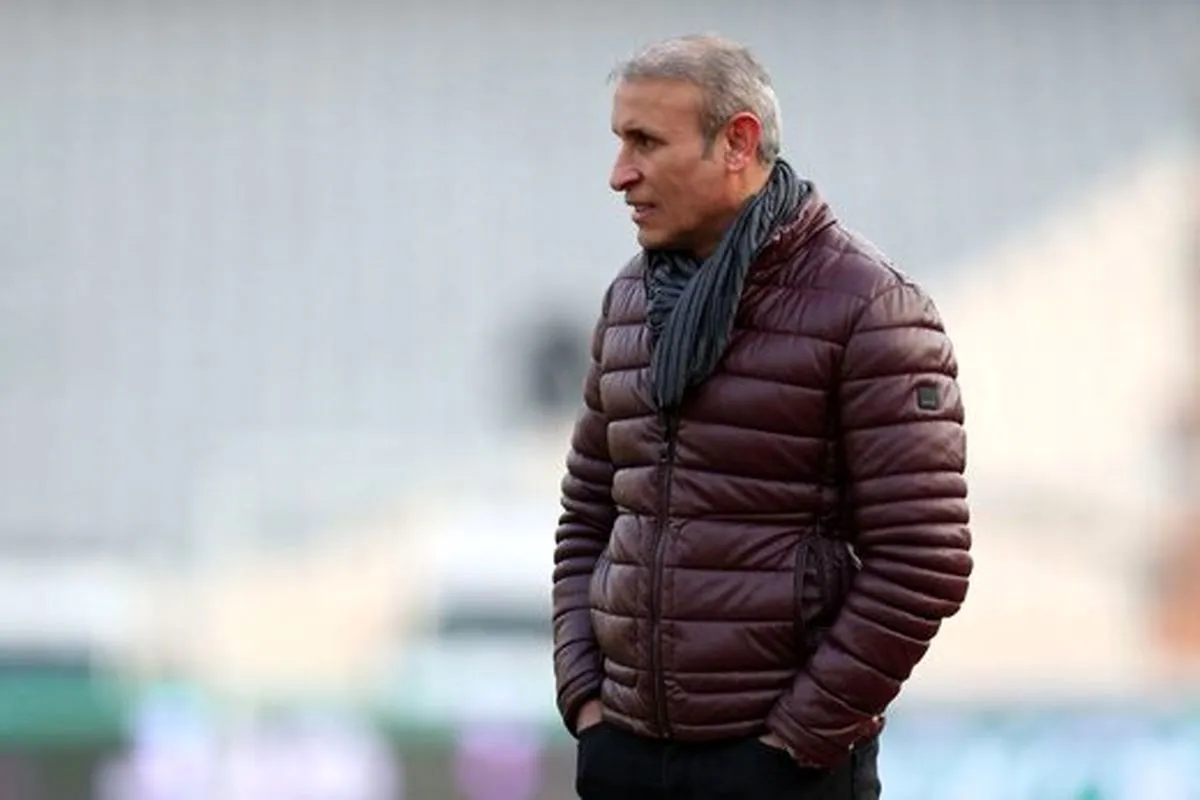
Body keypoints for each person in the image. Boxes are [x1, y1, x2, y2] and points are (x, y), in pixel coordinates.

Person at [551, 33, 973, 800]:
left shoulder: (870, 308)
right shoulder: (629, 302)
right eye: (620, 141)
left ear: (738, 143)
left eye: (645, 142)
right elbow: (588, 517)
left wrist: (789, 746)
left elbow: (923, 562)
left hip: (783, 770)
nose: (619, 174)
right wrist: (587, 704)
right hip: (627, 759)